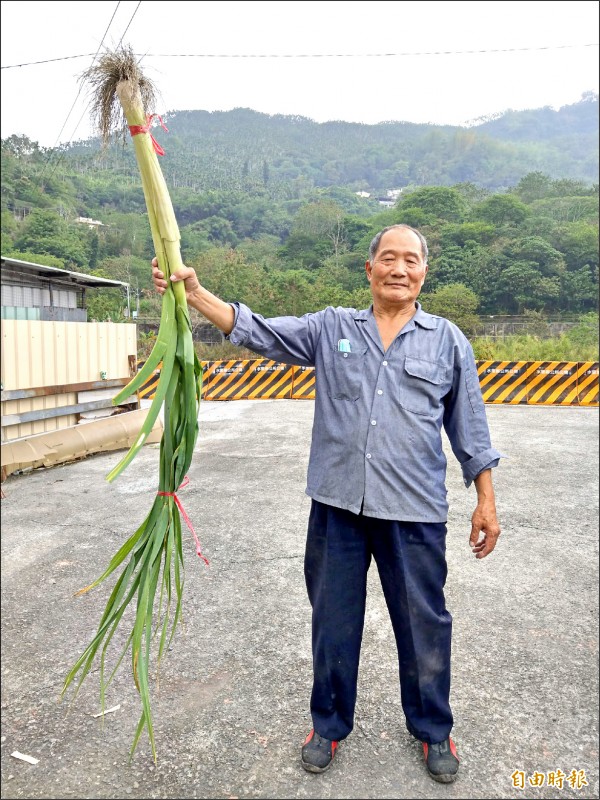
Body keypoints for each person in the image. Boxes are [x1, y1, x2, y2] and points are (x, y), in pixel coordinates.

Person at [151, 224, 502, 783]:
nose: (399, 269)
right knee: (333, 623)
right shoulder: (332, 327)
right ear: (369, 269)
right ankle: (330, 726)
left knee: (424, 626)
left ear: (423, 273)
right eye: (388, 258)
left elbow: (471, 428)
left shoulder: (447, 340)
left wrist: (485, 500)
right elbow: (259, 331)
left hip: (414, 514)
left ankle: (434, 730)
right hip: (338, 509)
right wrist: (194, 293)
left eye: (411, 260)